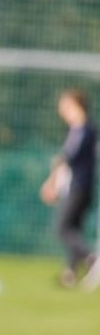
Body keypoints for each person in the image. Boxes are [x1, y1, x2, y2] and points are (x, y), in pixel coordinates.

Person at [41, 88, 97, 290]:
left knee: (62, 227)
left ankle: (92, 259)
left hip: (79, 187)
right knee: (75, 227)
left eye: (65, 105)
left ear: (76, 106)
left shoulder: (85, 130)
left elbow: (67, 158)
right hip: (76, 186)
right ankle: (71, 273)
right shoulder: (76, 130)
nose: (61, 110)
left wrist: (51, 183)